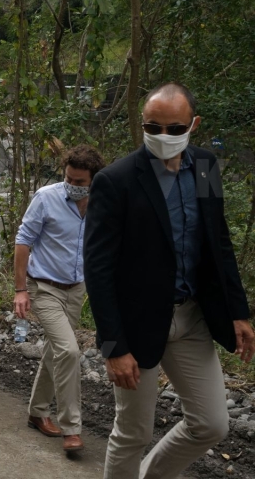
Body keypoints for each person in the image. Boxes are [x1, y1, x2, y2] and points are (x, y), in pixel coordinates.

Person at [84, 82, 255, 479]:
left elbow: (219, 241)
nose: (164, 136)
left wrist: (237, 311)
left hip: (192, 317)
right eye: (153, 127)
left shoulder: (206, 167)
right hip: (137, 323)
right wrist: (113, 346)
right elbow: (98, 268)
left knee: (212, 423)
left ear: (194, 125)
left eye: (175, 128)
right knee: (133, 432)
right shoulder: (116, 181)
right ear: (142, 124)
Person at [14, 145, 105, 454]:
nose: (73, 185)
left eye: (80, 182)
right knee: (68, 351)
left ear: (93, 180)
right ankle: (72, 428)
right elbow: (23, 241)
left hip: (76, 289)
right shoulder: (47, 197)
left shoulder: (102, 202)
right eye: (69, 178)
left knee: (56, 352)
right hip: (45, 288)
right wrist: (20, 290)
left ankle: (37, 412)